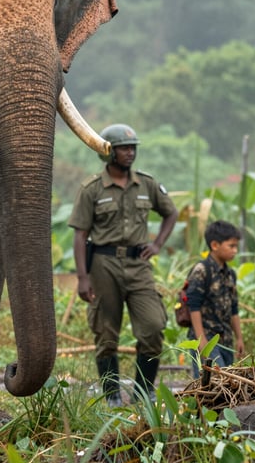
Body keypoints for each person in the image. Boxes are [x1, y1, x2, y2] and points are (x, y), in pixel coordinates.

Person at [69, 123, 178, 406]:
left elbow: (170, 213)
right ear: (108, 152)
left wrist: (157, 245)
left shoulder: (147, 184)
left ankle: (143, 391)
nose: (130, 153)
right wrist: (82, 277)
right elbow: (80, 234)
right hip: (103, 264)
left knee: (153, 326)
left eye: (133, 148)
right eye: (124, 149)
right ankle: (112, 396)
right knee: (106, 333)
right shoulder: (92, 189)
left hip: (138, 264)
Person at [185, 220, 244, 377]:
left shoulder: (230, 274)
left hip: (226, 338)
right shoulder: (202, 270)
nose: (235, 251)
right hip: (207, 335)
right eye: (231, 246)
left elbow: (234, 309)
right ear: (215, 245)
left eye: (236, 246)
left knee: (228, 381)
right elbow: (193, 306)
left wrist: (239, 338)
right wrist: (201, 340)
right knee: (213, 383)